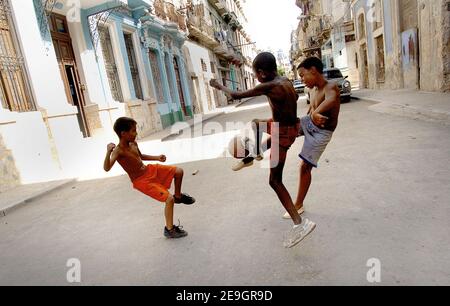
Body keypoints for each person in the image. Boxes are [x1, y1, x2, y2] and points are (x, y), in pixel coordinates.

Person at [210, 52, 316, 248]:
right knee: (256, 124)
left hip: (282, 133)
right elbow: (291, 101)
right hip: (289, 126)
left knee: (274, 180)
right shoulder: (284, 80)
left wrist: (217, 85)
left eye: (256, 74)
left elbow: (235, 95)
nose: (256, 78)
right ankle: (252, 155)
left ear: (262, 73)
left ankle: (300, 224)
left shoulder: (269, 86)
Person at [103, 117, 195, 239]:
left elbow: (141, 157)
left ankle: (178, 196)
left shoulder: (134, 143)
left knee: (178, 172)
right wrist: (108, 152)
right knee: (169, 199)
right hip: (141, 181)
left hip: (149, 170)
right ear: (123, 134)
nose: (136, 133)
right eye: (133, 131)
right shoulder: (118, 151)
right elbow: (107, 168)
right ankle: (170, 229)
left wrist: (157, 158)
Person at [285, 57, 340, 220]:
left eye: (302, 75)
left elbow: (331, 99)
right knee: (286, 129)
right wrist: (309, 115)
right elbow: (312, 108)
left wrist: (316, 113)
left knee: (304, 167)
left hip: (321, 133)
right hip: (311, 124)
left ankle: (298, 205)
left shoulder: (331, 87)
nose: (301, 79)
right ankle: (257, 152)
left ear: (313, 70)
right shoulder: (312, 90)